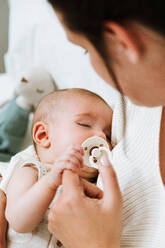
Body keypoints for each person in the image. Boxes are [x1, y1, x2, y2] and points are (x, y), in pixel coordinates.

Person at [46, 1, 165, 248]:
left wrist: (94, 243)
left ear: (122, 42)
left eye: (85, 50)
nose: (101, 136)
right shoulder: (136, 105)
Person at [4, 88, 116, 248]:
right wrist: (50, 181)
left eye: (109, 135)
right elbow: (19, 222)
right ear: (43, 135)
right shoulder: (31, 170)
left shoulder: (96, 184)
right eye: (84, 124)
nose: (102, 137)